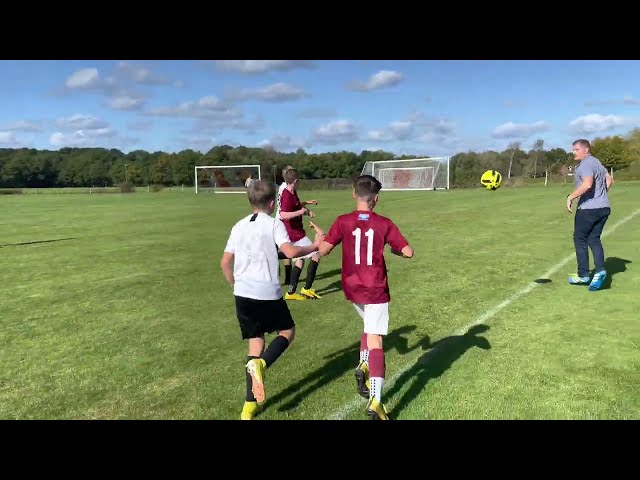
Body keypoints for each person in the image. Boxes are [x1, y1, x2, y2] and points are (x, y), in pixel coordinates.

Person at [220, 180, 325, 420]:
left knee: (255, 344)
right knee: (287, 331)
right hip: (266, 292)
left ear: (250, 202)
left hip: (243, 295)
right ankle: (263, 365)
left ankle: (249, 407)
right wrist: (315, 245)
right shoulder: (274, 223)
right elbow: (289, 252)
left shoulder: (238, 226)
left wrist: (234, 285)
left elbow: (225, 262)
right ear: (271, 203)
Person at [315, 175, 413, 419]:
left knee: (369, 327)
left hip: (351, 287)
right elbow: (408, 252)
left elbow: (323, 250)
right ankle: (376, 401)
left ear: (353, 194)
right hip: (375, 288)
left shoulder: (342, 221)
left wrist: (320, 238)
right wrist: (395, 250)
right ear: (376, 199)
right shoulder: (384, 223)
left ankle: (363, 364)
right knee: (376, 339)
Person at [566, 139, 613, 291]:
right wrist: (601, 196)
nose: (574, 152)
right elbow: (609, 179)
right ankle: (599, 271)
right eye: (573, 149)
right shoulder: (596, 162)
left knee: (580, 239)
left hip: (588, 210)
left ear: (585, 150)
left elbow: (587, 184)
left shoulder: (586, 164)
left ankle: (583, 275)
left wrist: (571, 197)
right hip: (604, 208)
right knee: (594, 238)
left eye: (576, 149)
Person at [278, 168, 321, 300]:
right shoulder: (286, 194)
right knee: (316, 254)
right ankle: (306, 289)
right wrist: (301, 212)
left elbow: (296, 206)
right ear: (296, 181)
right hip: (293, 233)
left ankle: (291, 293)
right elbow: (283, 215)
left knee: (299, 260)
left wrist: (307, 210)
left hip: (296, 231)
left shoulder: (292, 192)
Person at [276, 165, 295, 285]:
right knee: (287, 250)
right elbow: (286, 207)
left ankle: (288, 278)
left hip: (281, 220)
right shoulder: (285, 189)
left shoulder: (283, 187)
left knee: (286, 248)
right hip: (283, 221)